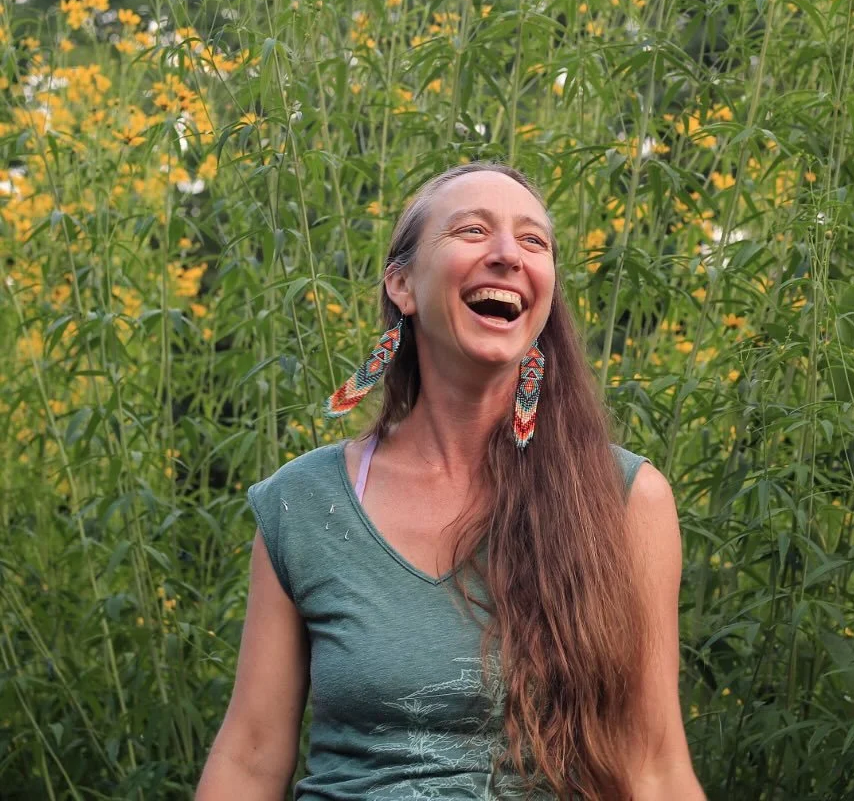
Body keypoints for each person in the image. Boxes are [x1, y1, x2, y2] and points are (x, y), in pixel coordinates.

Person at [195, 162, 706, 800]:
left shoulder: (625, 498)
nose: (506, 255)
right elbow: (248, 758)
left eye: (533, 241)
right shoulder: (304, 504)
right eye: (471, 230)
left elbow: (654, 768)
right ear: (402, 284)